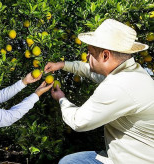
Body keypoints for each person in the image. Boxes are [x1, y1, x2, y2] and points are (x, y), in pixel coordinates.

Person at [44, 19, 154, 164]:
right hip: (123, 155)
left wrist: (61, 99)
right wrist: (62, 65)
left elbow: (79, 122)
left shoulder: (118, 86)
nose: (87, 56)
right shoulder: (132, 73)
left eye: (90, 52)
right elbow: (91, 72)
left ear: (105, 55)